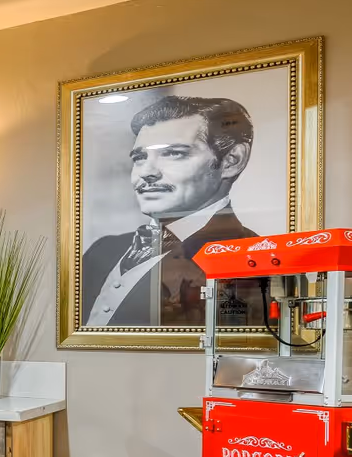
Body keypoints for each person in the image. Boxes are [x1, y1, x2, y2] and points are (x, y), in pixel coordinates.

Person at [81, 95, 262, 328]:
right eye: (139, 157)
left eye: (174, 153)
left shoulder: (251, 258)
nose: (147, 172)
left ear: (231, 160)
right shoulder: (103, 249)